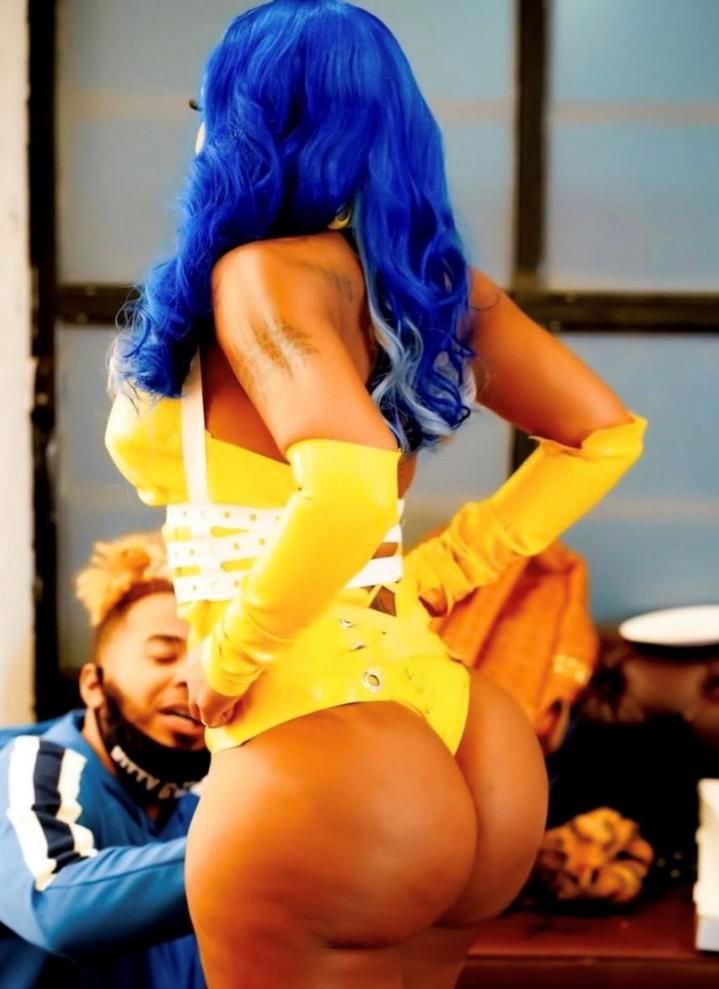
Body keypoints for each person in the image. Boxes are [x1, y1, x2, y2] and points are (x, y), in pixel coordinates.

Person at [105, 2, 648, 985]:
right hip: (462, 733)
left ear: (241, 120)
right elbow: (604, 436)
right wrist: (443, 570)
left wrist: (229, 656)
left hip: (317, 737)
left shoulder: (253, 275)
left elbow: (349, 489)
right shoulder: (425, 284)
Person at [0, 533, 206, 988]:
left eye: (210, 665)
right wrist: (247, 849)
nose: (192, 679)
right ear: (92, 684)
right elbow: (56, 904)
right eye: (164, 655)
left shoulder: (199, 816)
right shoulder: (31, 767)